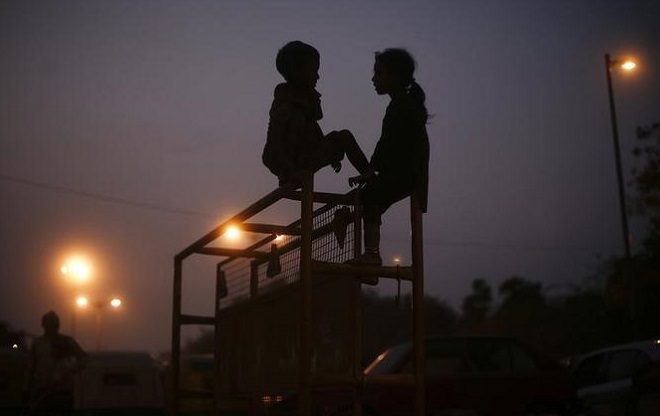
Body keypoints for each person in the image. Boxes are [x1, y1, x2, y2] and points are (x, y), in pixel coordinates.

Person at [348, 48, 430, 266]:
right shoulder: (402, 104)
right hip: (406, 170)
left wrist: (371, 170)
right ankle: (370, 254)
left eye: (379, 73)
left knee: (371, 197)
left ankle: (373, 255)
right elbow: (388, 143)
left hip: (406, 171)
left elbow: (388, 143)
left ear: (395, 76)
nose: (373, 79)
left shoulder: (402, 106)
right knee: (368, 197)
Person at [262, 40, 370, 188]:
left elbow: (312, 132)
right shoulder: (285, 105)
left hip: (306, 156)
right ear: (296, 70)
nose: (317, 76)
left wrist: (331, 154)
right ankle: (369, 176)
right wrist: (287, 172)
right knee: (344, 137)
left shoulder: (305, 103)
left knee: (343, 138)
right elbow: (273, 147)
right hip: (295, 163)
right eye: (313, 70)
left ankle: (368, 175)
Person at [24, 310, 88, 416]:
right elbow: (30, 368)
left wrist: (70, 370)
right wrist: (26, 388)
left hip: (62, 391)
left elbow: (84, 357)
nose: (51, 327)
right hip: (42, 390)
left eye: (53, 324)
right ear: (43, 325)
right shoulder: (38, 343)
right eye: (49, 324)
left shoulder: (66, 341)